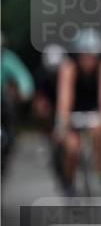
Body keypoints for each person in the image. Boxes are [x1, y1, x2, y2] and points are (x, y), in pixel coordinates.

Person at [53, 29, 101, 195]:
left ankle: (100, 173)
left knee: (100, 132)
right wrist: (61, 125)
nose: (87, 61)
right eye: (84, 56)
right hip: (73, 112)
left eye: (92, 56)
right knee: (72, 147)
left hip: (94, 112)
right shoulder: (68, 67)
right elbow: (64, 99)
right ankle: (68, 180)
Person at [34, 44, 68, 190]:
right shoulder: (42, 75)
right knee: (41, 110)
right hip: (51, 106)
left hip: (67, 105)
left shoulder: (69, 73)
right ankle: (46, 137)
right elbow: (39, 97)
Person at [1, 35, 35, 177]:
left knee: (9, 109)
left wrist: (24, 92)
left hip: (2, 102)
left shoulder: (7, 59)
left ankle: (7, 147)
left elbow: (22, 77)